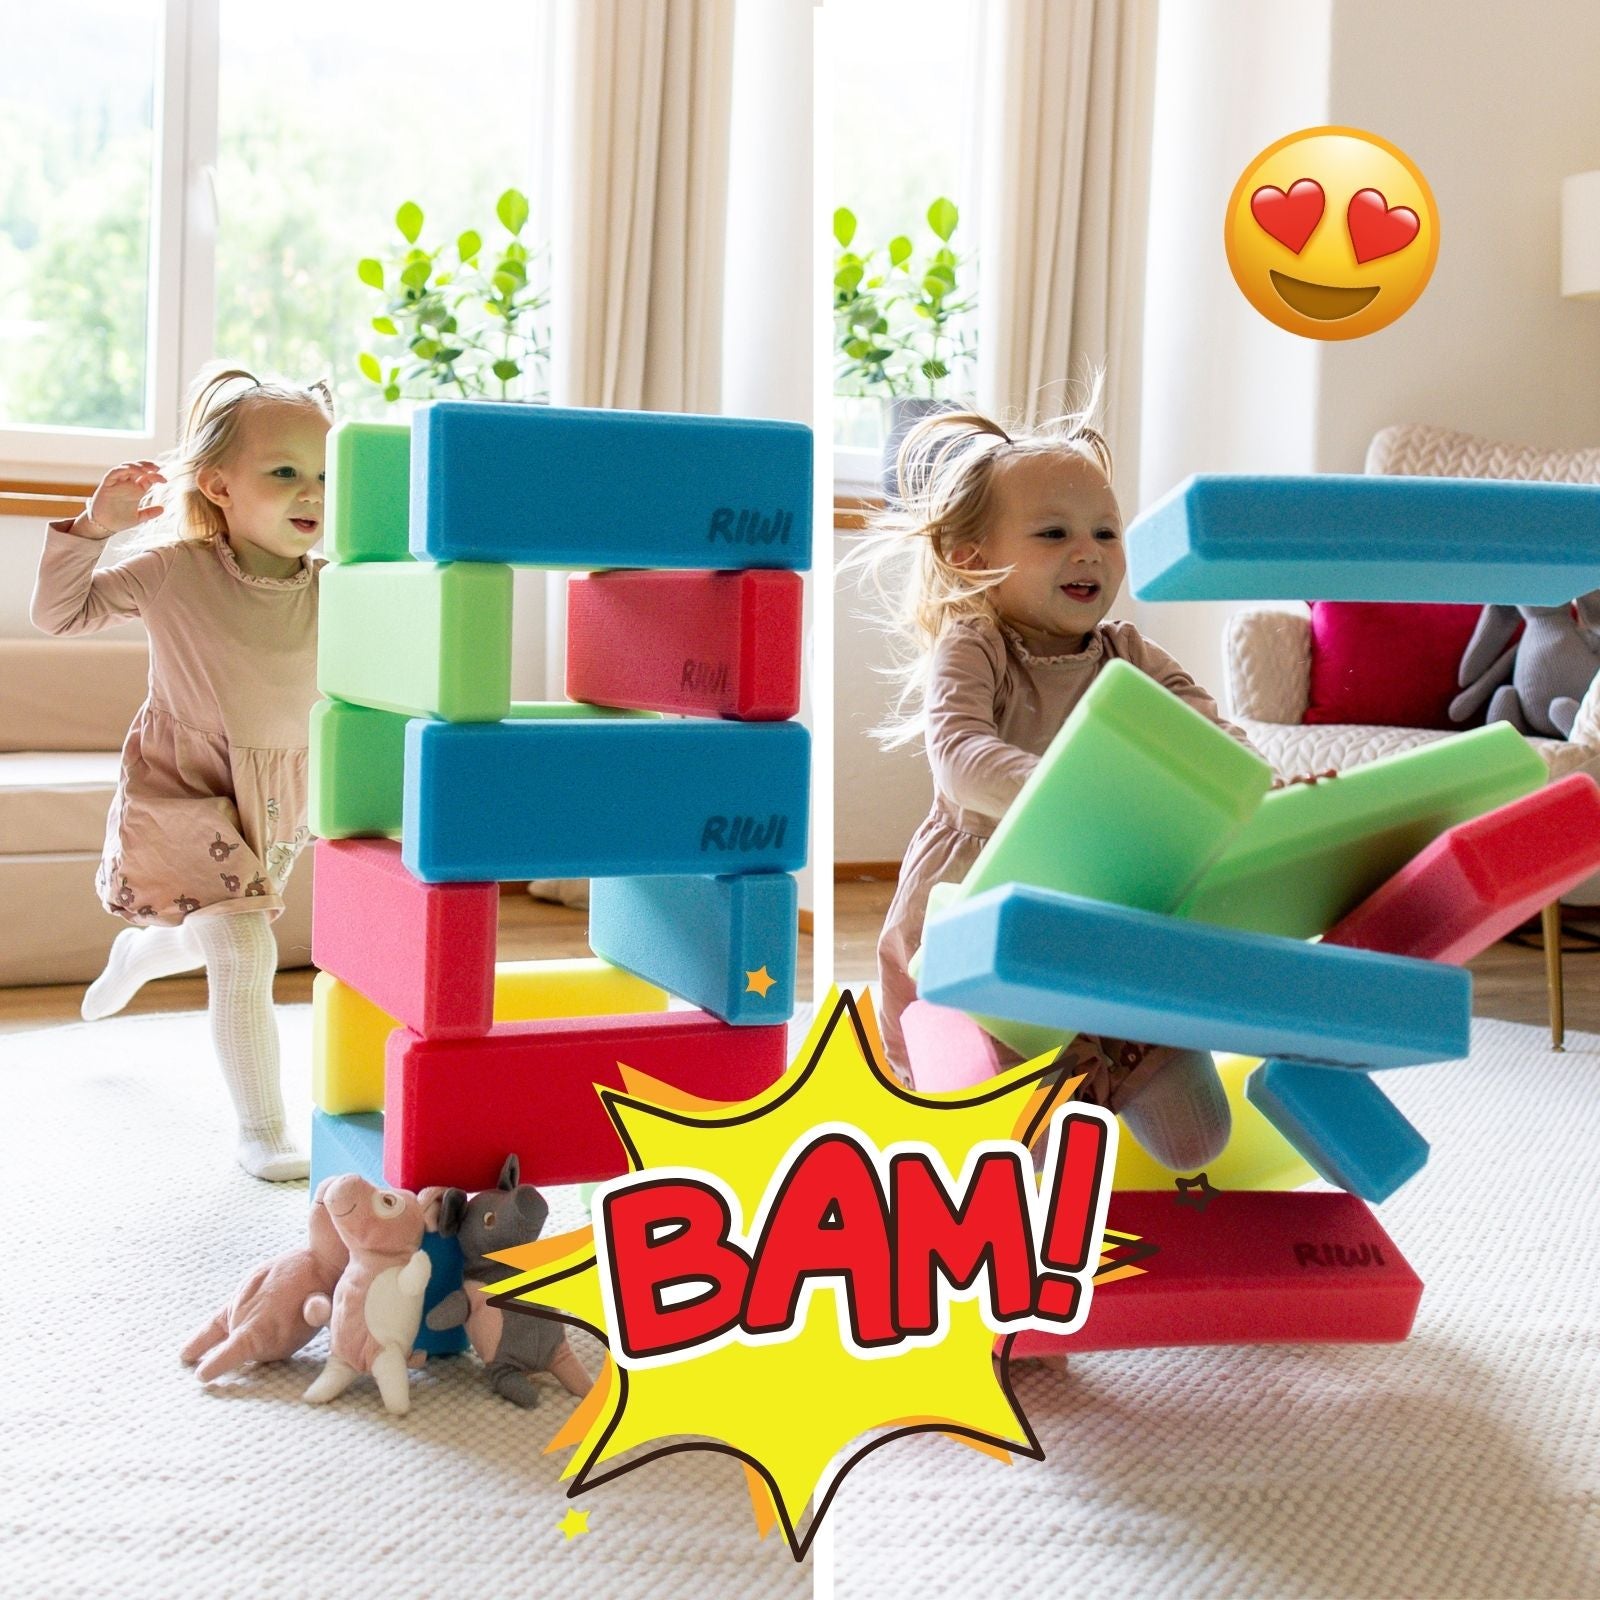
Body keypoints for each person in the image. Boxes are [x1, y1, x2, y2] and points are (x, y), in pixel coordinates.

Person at [853, 386, 1260, 1171]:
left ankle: (1107, 1057)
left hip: (1101, 901)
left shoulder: (1127, 652)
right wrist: (1068, 798)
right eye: (1054, 533)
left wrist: (1268, 785)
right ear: (973, 558)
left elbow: (1213, 734)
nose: (1089, 552)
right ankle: (1022, 1094)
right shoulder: (976, 643)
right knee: (1016, 1152)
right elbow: (960, 756)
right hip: (978, 913)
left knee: (1195, 1142)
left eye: (1105, 531)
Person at [31, 364, 333, 1181]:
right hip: (184, 789)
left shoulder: (335, 586)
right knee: (243, 948)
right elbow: (60, 614)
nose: (311, 491)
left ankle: (141, 954)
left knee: (215, 933)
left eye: (323, 473)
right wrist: (94, 528)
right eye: (285, 471)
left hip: (274, 796)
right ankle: (262, 1131)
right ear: (219, 485)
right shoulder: (175, 568)